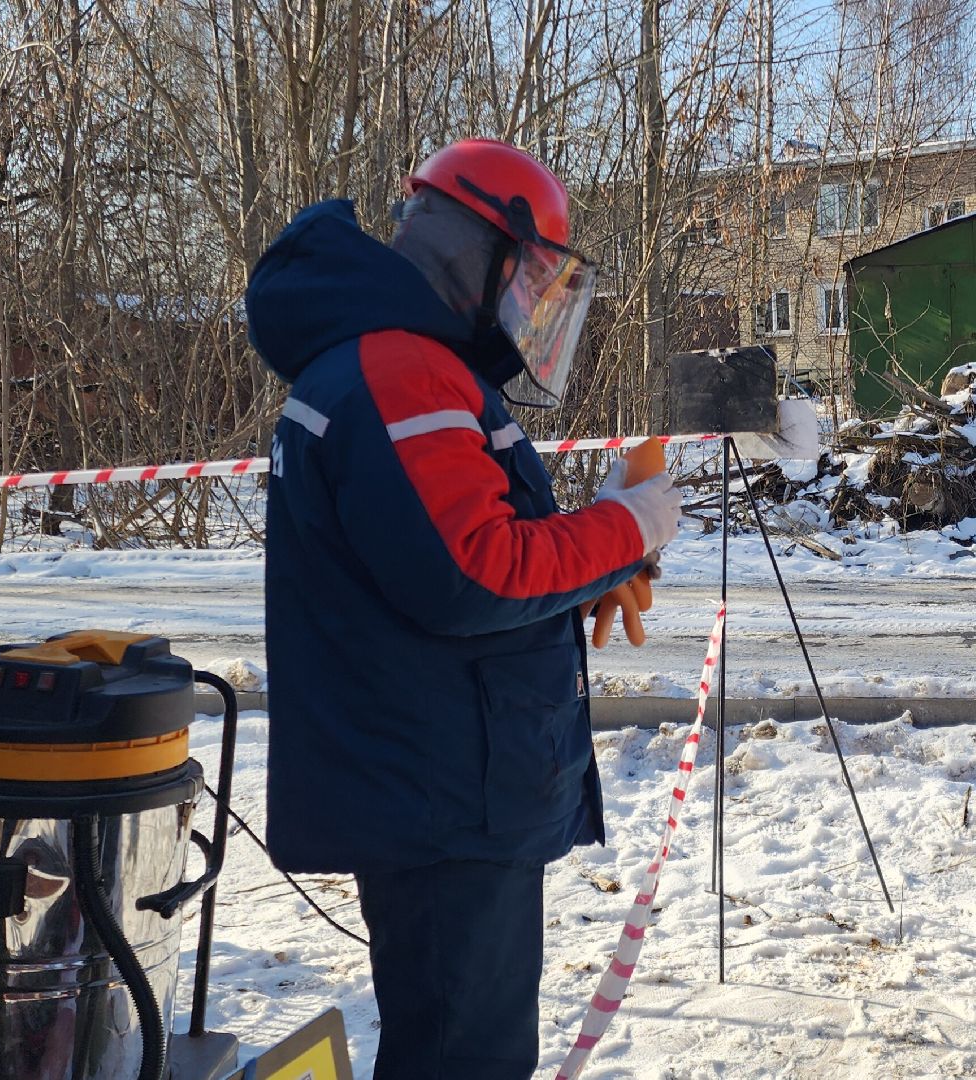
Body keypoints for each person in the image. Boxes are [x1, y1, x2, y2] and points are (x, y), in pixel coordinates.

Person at [243, 139, 681, 1078]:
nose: (530, 305)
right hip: (441, 792)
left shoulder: (397, 363)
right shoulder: (402, 372)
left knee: (457, 1040)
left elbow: (435, 553)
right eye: (529, 278)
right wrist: (625, 527)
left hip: (435, 778)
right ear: (472, 246)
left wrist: (589, 565)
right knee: (461, 1056)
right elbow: (474, 573)